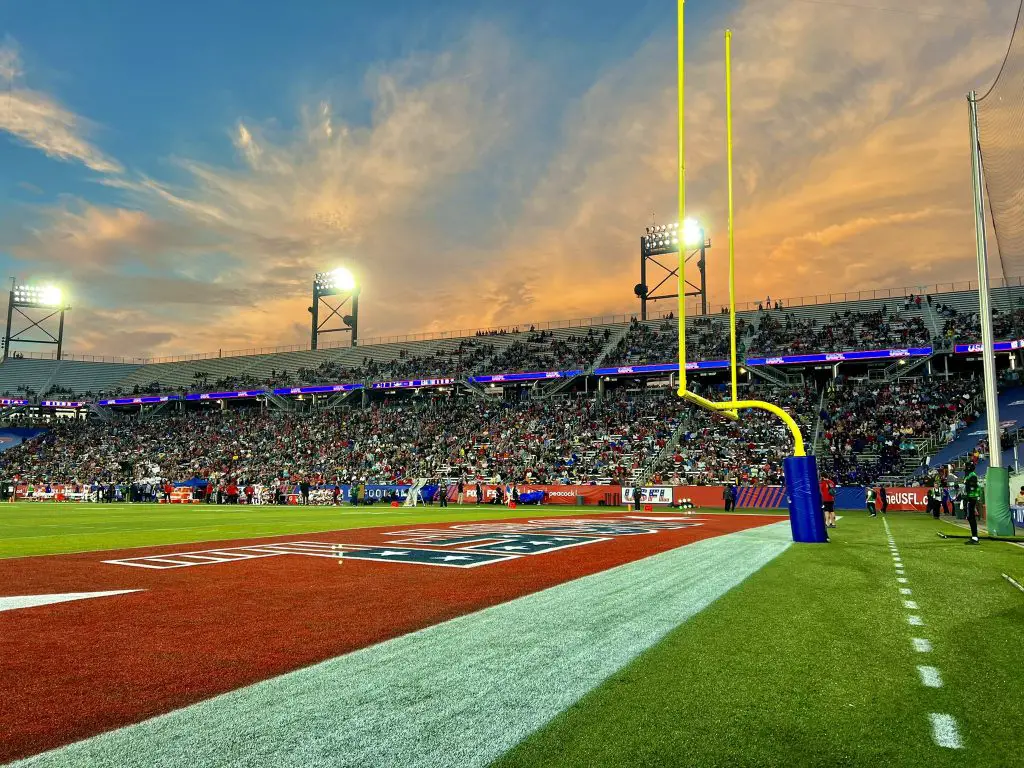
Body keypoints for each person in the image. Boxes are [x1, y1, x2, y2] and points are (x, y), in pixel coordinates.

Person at [963, 463, 981, 544]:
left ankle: (975, 537)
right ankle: (974, 536)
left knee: (971, 517)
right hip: (970, 497)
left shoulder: (972, 475)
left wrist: (968, 495)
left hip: (971, 498)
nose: (964, 468)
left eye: (965, 466)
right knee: (970, 517)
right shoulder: (970, 475)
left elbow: (972, 486)